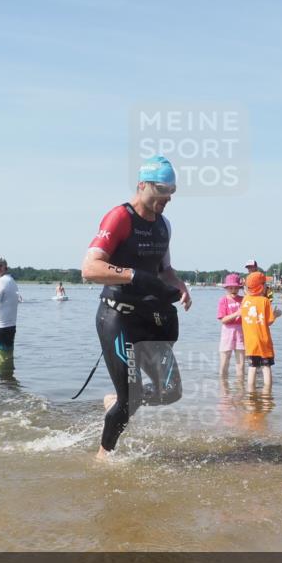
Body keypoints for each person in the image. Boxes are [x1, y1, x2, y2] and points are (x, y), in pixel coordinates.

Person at [81, 155, 191, 458]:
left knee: (171, 392)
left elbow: (165, 269)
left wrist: (179, 285)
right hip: (117, 317)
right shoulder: (119, 218)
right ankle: (103, 458)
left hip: (149, 320)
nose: (166, 198)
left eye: (171, 192)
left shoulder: (164, 225)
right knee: (130, 397)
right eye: (161, 191)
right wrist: (132, 276)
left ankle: (115, 401)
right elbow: (89, 268)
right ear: (142, 185)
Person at [240, 271, 281, 394]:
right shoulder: (265, 301)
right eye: (265, 285)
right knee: (266, 367)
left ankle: (251, 393)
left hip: (250, 341)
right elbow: (268, 322)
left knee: (252, 368)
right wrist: (276, 315)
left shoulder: (245, 300)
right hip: (264, 340)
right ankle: (267, 394)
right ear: (261, 287)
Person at [217, 273, 245, 379]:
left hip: (241, 333)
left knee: (241, 364)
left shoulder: (244, 299)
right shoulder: (223, 300)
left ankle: (240, 389)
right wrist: (237, 314)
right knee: (224, 362)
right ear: (227, 288)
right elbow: (223, 320)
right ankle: (224, 387)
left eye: (236, 288)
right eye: (231, 288)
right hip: (227, 332)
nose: (233, 290)